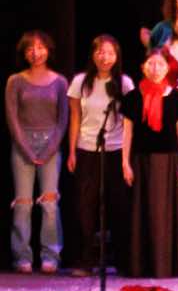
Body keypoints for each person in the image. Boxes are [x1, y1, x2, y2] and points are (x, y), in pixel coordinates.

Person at [68, 35, 134, 275]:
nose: (105, 57)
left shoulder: (124, 83)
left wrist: (126, 158)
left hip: (115, 149)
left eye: (110, 53)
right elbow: (75, 117)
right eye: (100, 52)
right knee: (84, 206)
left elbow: (129, 122)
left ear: (117, 56)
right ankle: (85, 260)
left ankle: (123, 261)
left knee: (118, 205)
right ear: (93, 54)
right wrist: (72, 151)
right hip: (87, 148)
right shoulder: (80, 82)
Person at [123, 49, 178, 278]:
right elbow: (128, 133)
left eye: (160, 64)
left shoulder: (176, 98)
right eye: (151, 64)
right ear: (143, 68)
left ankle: (167, 265)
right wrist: (125, 163)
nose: (155, 69)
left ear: (167, 68)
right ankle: (142, 265)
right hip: (141, 160)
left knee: (165, 213)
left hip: (169, 161)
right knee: (142, 211)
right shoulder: (133, 97)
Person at [10, 32, 70, 273]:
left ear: (48, 50)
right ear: (24, 53)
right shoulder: (15, 81)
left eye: (40, 47)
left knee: (49, 203)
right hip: (22, 144)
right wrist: (25, 148)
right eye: (30, 49)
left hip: (51, 145)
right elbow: (12, 118)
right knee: (23, 203)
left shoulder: (60, 82)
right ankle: (21, 256)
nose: (35, 53)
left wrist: (50, 149)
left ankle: (51, 256)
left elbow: (63, 119)